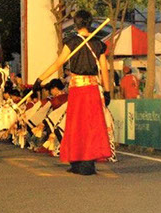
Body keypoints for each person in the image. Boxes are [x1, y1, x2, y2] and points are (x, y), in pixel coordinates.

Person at [33, 10, 112, 175]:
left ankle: (79, 162)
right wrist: (107, 90)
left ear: (76, 24)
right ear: (90, 23)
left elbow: (58, 64)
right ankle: (85, 163)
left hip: (77, 90)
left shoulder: (72, 42)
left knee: (76, 125)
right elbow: (104, 69)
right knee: (90, 125)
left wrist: (40, 79)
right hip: (92, 89)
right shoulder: (98, 44)